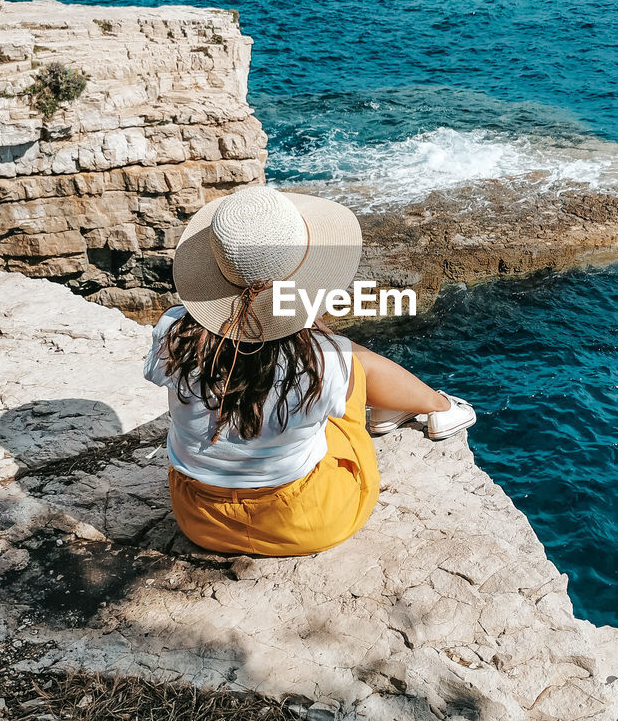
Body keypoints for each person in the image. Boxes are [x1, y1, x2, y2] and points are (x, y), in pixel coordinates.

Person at [145, 186, 476, 557]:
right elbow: (303, 355)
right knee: (349, 364)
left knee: (329, 365)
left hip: (198, 518)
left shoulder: (172, 331)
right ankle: (436, 407)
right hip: (303, 522)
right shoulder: (323, 358)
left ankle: (421, 406)